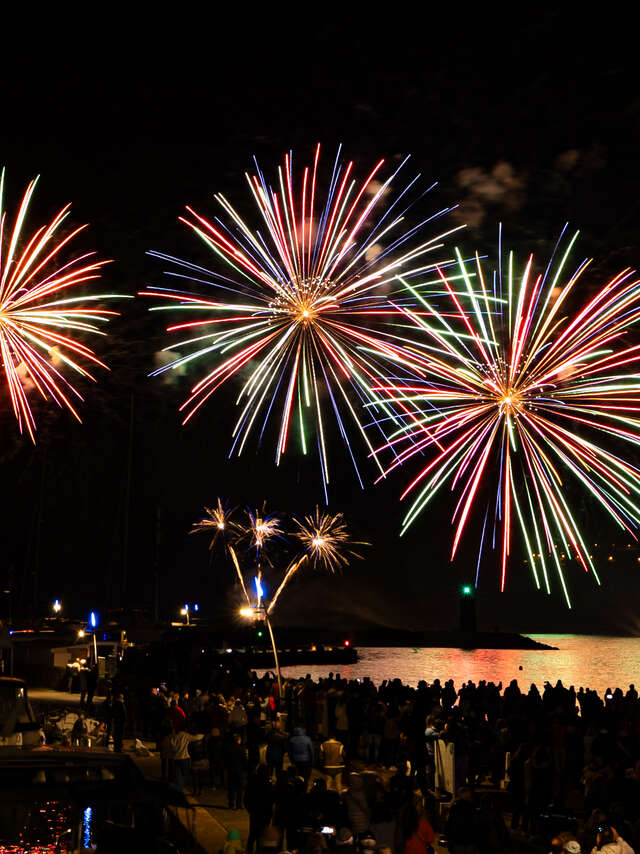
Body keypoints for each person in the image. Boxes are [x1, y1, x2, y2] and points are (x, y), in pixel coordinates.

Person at [245, 765, 274, 854]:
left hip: (255, 812)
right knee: (261, 835)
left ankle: (249, 851)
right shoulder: (267, 784)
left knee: (253, 834)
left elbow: (246, 797)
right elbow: (271, 799)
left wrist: (250, 809)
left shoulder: (252, 782)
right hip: (264, 813)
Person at [446, 787, 480, 854]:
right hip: (469, 841)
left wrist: (449, 839)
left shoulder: (454, 808)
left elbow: (449, 824)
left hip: (458, 841)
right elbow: (476, 825)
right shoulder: (472, 809)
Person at [170, 728, 204, 793]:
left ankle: (178, 789)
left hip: (176, 758)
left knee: (178, 776)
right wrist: (203, 735)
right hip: (184, 758)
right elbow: (195, 738)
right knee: (185, 775)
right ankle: (180, 788)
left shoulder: (174, 736)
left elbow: (173, 748)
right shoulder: (185, 735)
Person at [226, 732, 249, 810]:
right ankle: (239, 805)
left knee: (231, 788)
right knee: (240, 788)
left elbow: (226, 760)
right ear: (238, 740)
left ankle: (231, 804)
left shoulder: (228, 749)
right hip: (240, 771)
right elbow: (245, 761)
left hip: (231, 770)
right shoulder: (241, 749)